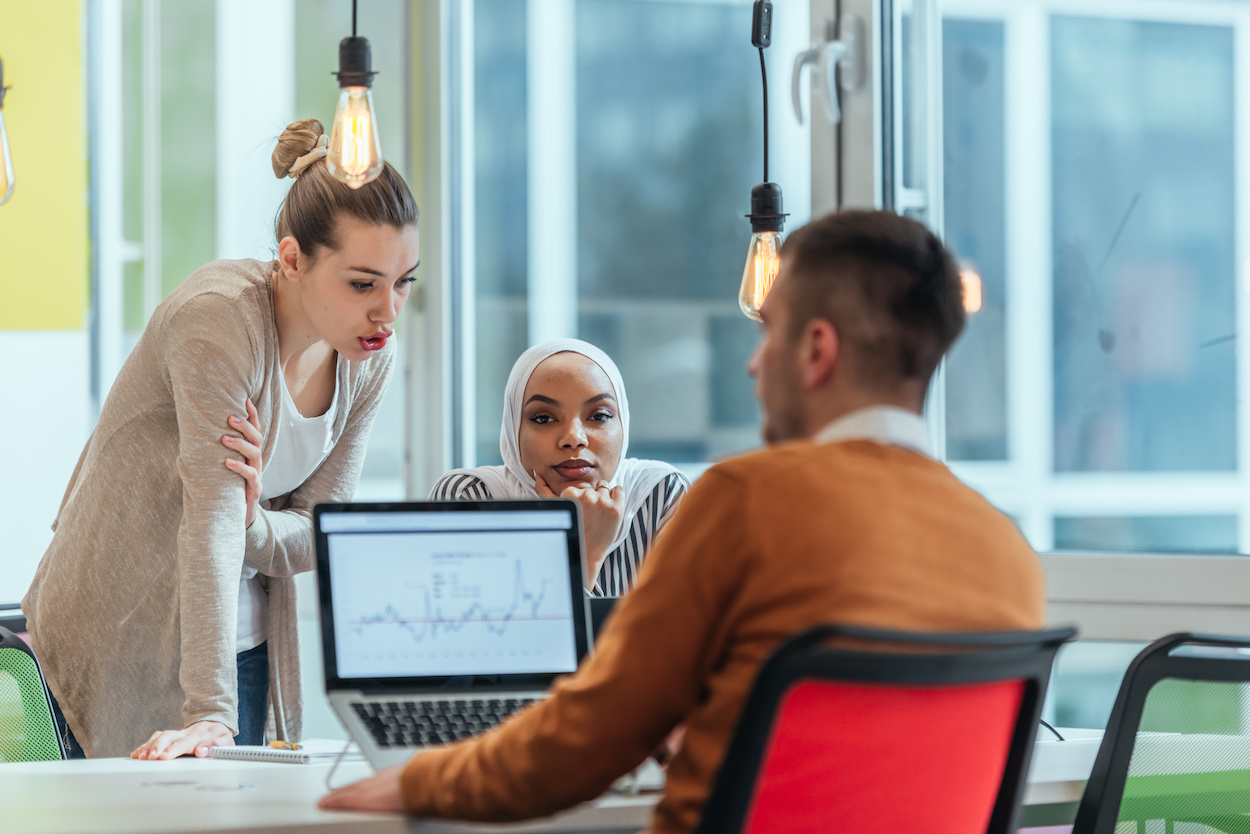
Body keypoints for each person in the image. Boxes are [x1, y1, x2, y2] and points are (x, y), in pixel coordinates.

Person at [317, 209, 1046, 832]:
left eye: (773, 333)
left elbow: (586, 739)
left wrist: (417, 780)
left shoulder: (743, 500)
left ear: (817, 350)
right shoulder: (1006, 551)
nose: (756, 366)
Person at [22, 118, 420, 760]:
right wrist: (210, 713)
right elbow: (212, 519)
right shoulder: (219, 321)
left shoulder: (368, 354)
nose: (388, 311)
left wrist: (256, 528)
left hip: (240, 636)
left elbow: (321, 530)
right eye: (362, 283)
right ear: (292, 260)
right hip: (123, 616)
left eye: (404, 281)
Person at [430, 340, 689, 596]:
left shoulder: (661, 496)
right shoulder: (470, 497)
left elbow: (684, 633)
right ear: (512, 430)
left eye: (599, 416)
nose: (573, 438)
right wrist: (584, 555)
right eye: (543, 418)